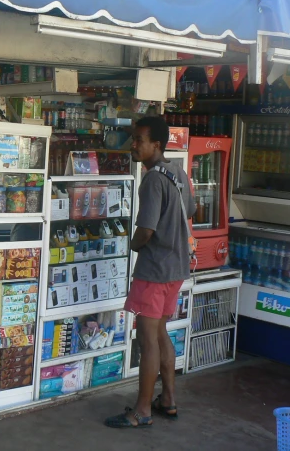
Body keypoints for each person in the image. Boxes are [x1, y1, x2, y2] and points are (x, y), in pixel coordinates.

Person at [105, 116, 195, 429]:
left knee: (147, 341)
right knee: (160, 334)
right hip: (177, 267)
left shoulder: (153, 180)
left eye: (139, 139)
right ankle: (167, 400)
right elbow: (191, 209)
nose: (134, 144)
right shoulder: (177, 172)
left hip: (155, 269)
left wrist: (133, 244)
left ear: (155, 144)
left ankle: (142, 410)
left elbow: (146, 229)